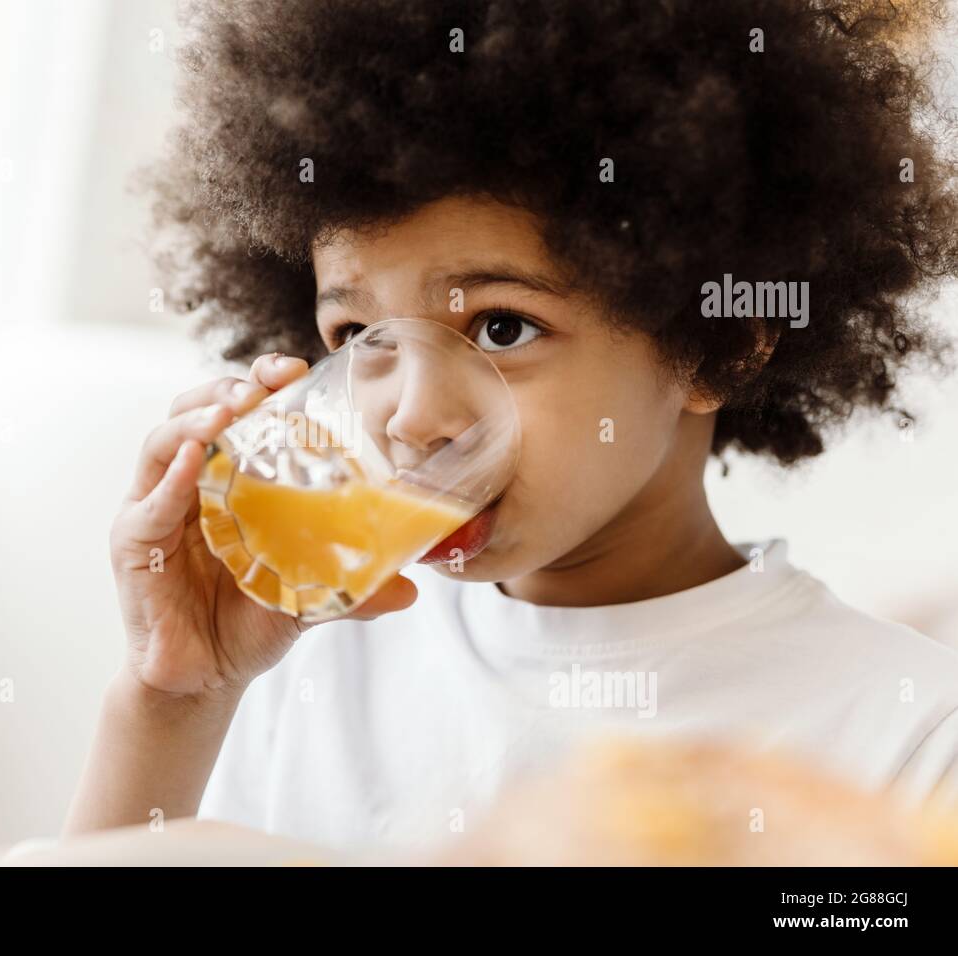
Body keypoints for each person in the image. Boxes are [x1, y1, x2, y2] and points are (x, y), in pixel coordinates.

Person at [64, 0, 958, 852]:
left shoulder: (904, 736)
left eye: (501, 327)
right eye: (359, 336)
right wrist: (173, 699)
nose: (410, 417)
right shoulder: (300, 663)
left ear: (715, 345)